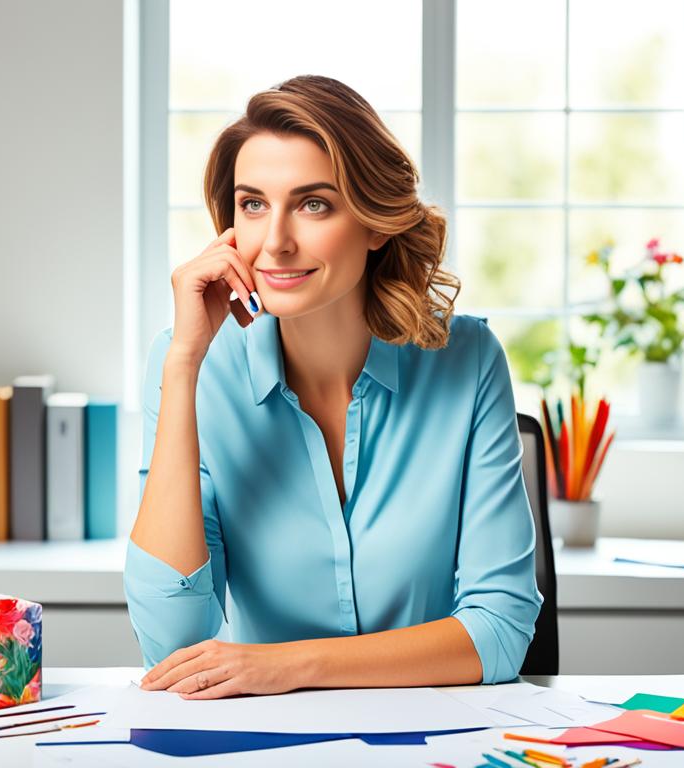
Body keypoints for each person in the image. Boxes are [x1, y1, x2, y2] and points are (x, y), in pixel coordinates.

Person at [126, 75, 541, 700]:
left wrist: (288, 667)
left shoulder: (467, 359)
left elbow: (501, 628)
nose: (275, 242)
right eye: (253, 204)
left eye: (314, 204)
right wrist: (184, 364)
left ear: (377, 223)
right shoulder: (195, 366)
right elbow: (173, 643)